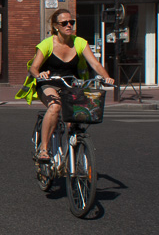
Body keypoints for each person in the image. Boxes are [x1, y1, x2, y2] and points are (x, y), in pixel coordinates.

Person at [24, 10, 114, 161]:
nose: (69, 25)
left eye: (71, 22)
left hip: (70, 84)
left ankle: (72, 149)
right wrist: (39, 74)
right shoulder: (46, 44)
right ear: (55, 26)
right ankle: (44, 149)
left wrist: (107, 77)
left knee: (75, 118)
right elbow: (33, 68)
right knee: (55, 107)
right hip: (49, 83)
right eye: (64, 23)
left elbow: (95, 64)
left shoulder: (79, 42)